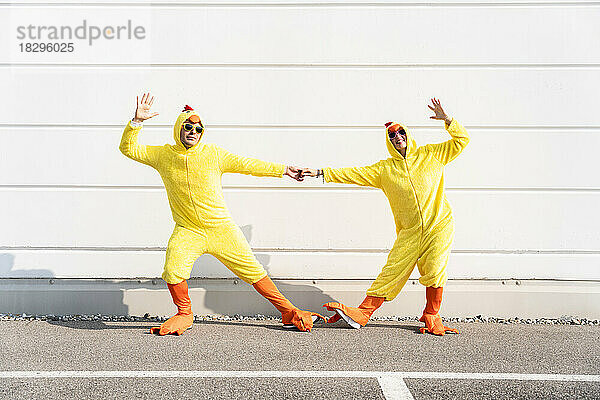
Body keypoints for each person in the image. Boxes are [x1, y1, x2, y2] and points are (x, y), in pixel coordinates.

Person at [119, 93, 324, 335]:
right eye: (188, 127)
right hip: (188, 230)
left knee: (254, 271)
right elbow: (128, 148)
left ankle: (289, 311)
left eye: (198, 128)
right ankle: (184, 314)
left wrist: (283, 170)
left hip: (221, 229)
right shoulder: (164, 155)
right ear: (178, 129)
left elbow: (249, 165)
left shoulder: (214, 154)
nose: (193, 131)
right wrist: (136, 122)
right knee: (173, 269)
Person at [300, 98, 468, 336]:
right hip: (410, 232)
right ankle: (363, 313)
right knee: (392, 270)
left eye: (401, 132)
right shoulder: (384, 170)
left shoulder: (432, 154)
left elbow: (462, 141)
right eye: (392, 135)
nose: (397, 136)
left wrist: (448, 121)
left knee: (435, 268)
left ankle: (431, 314)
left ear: (408, 134)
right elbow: (353, 174)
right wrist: (320, 172)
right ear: (389, 142)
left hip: (438, 226)